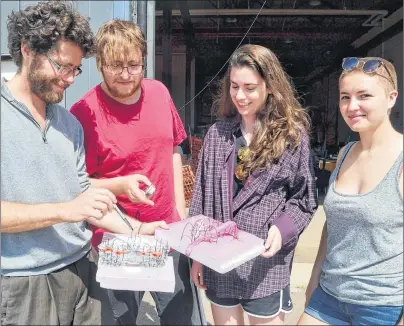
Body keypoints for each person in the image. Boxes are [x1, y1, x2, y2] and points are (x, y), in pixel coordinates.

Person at [1, 2, 158, 325]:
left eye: (75, 69)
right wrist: (66, 210)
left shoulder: (67, 124)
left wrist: (139, 230)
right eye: (62, 66)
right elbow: (74, 206)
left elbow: (86, 195)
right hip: (24, 282)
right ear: (27, 50)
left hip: (84, 272)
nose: (70, 79)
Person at [70, 19, 203, 325]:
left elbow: (173, 150)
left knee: (182, 318)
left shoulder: (158, 93)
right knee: (119, 320)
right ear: (100, 64)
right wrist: (119, 185)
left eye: (134, 64)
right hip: (115, 241)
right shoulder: (84, 113)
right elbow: (79, 185)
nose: (128, 75)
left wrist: (179, 215)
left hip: (166, 234)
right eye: (117, 66)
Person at [189, 44, 318, 325]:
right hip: (219, 262)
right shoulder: (217, 135)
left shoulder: (291, 137)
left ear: (270, 86)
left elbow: (304, 199)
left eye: (249, 87)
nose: (239, 95)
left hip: (265, 264)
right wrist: (197, 256)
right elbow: (199, 199)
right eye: (234, 86)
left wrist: (283, 229)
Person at [298, 57, 403, 325]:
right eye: (345, 97)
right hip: (329, 296)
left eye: (364, 95)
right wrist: (313, 282)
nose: (351, 106)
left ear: (391, 98)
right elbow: (332, 226)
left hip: (382, 306)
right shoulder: (345, 154)